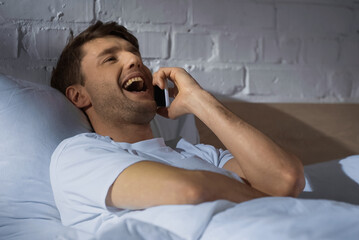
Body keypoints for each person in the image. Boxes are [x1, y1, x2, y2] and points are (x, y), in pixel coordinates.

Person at [49, 21, 305, 233]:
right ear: (78, 96)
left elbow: (285, 178)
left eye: (135, 54)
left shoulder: (201, 155)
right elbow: (189, 190)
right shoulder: (77, 154)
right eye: (110, 59)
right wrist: (277, 203)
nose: (134, 60)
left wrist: (198, 100)